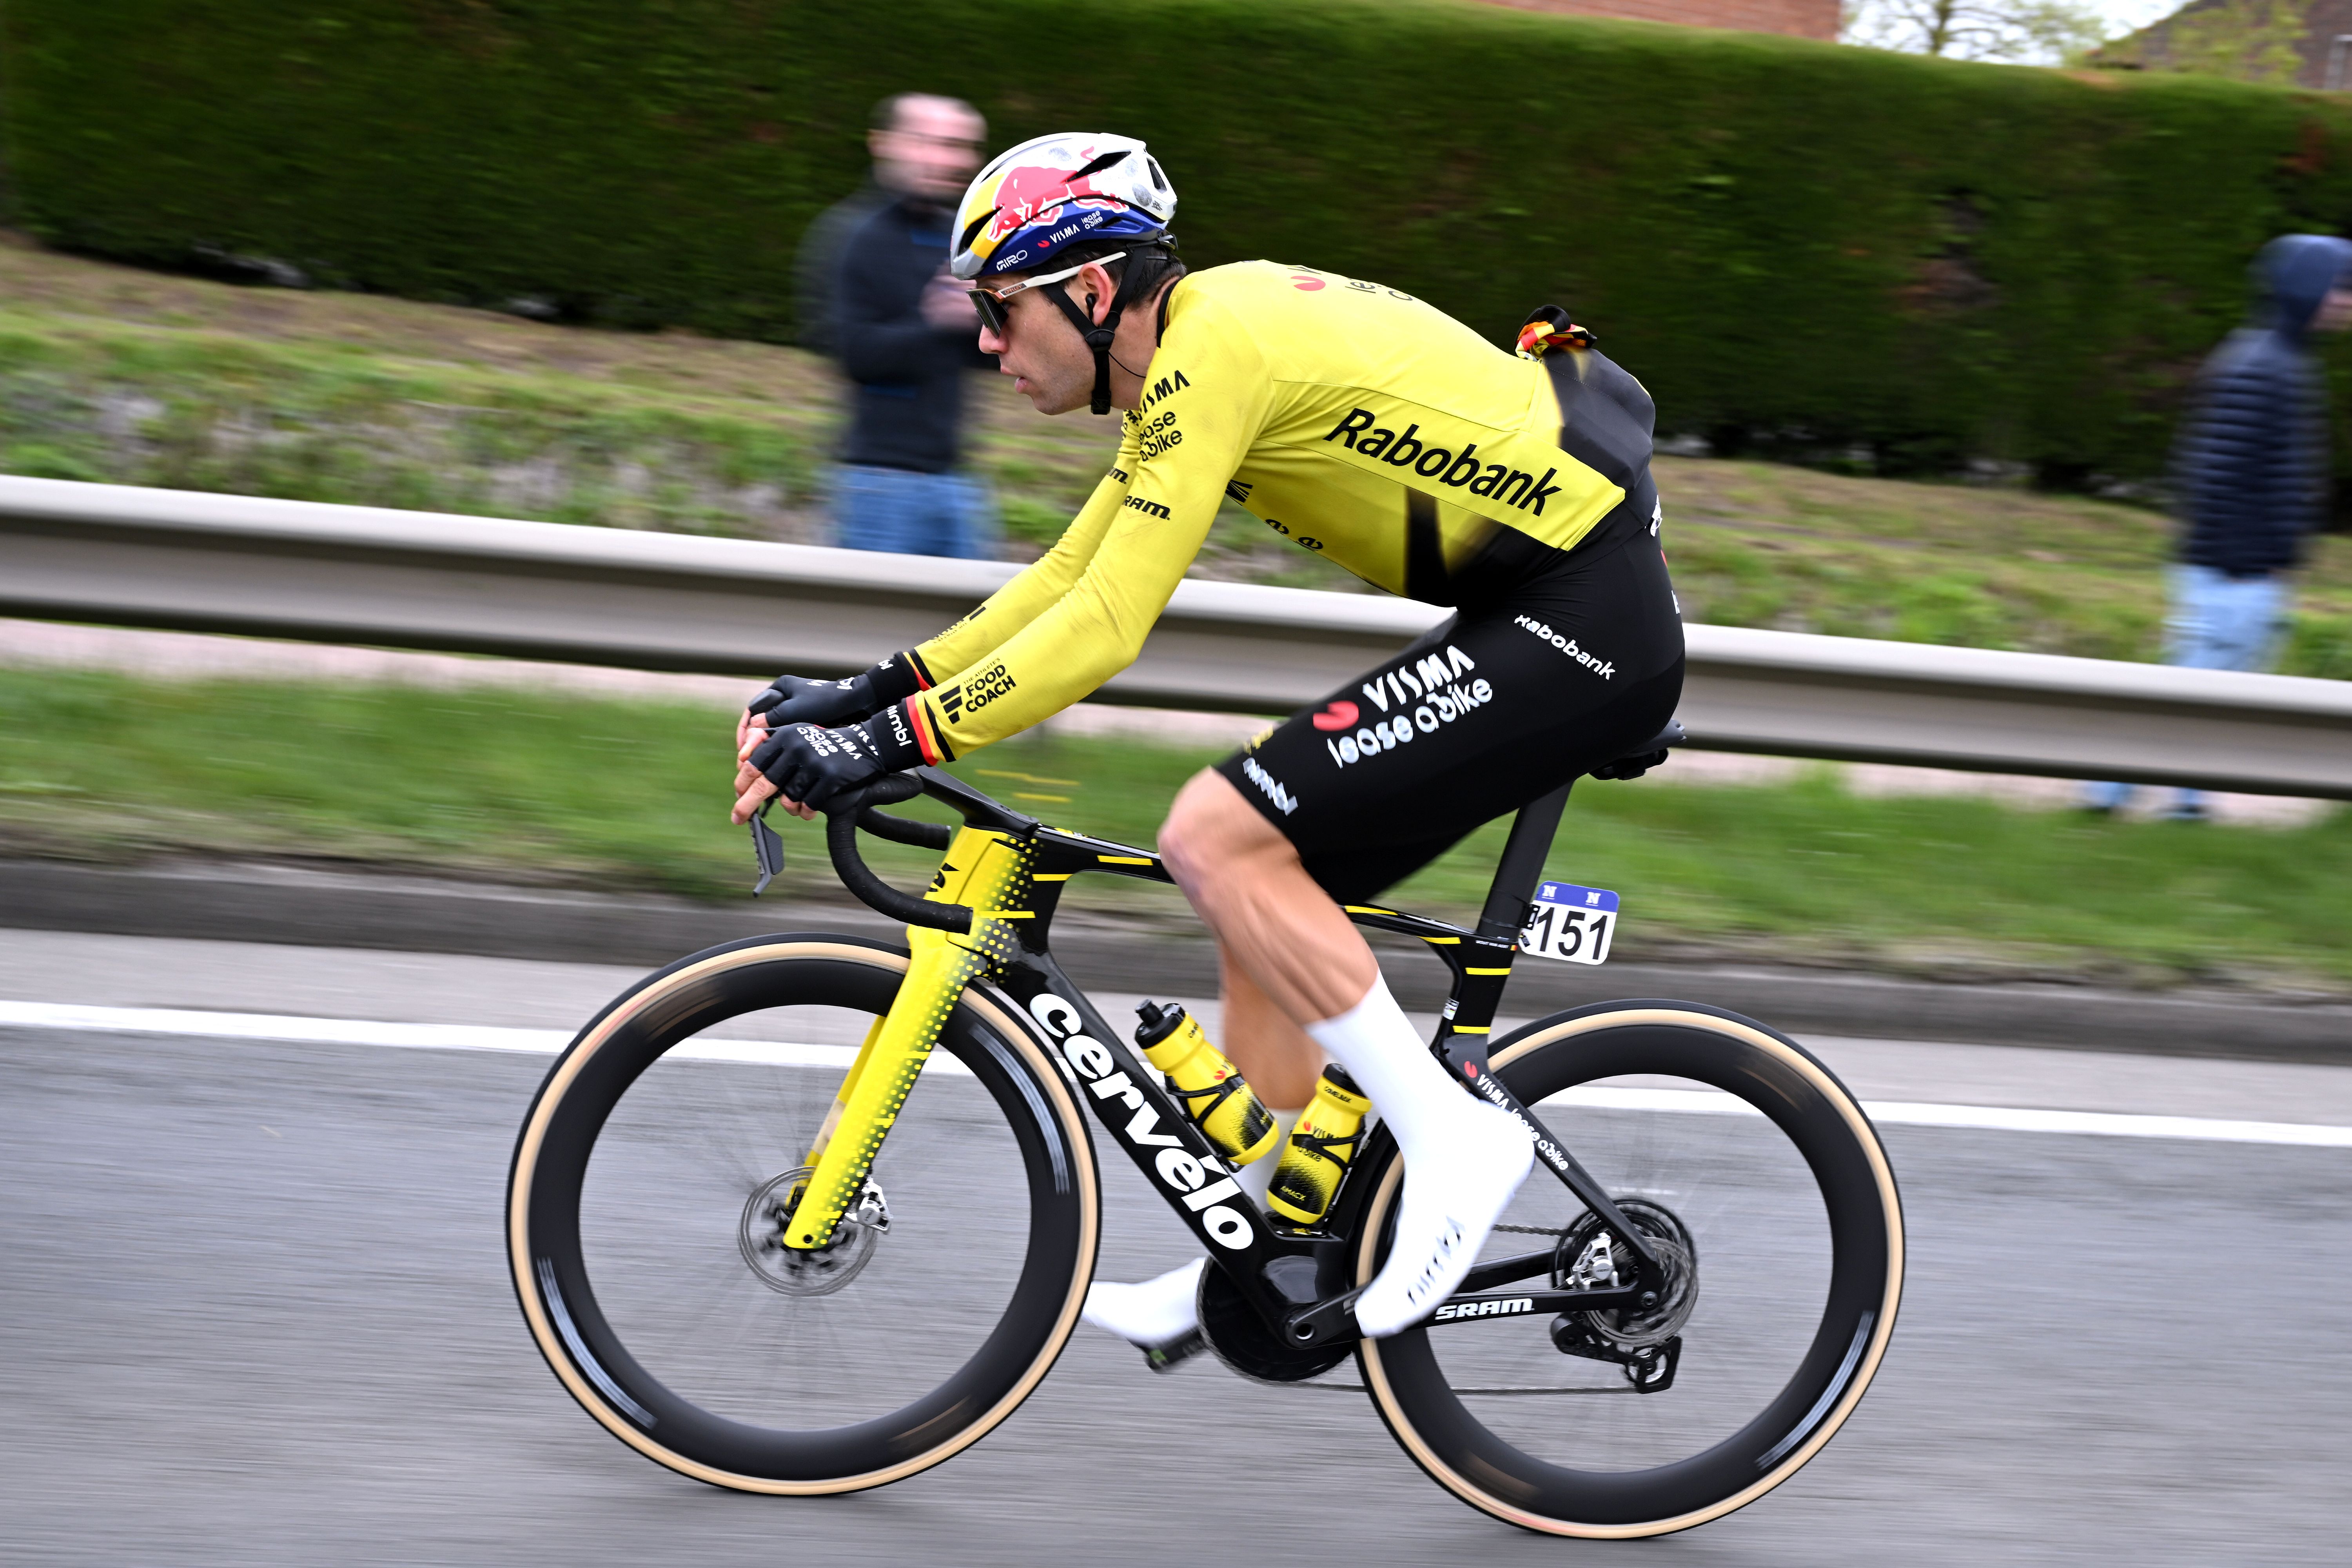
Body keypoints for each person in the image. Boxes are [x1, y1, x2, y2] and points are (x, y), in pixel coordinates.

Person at [731, 132, 1684, 1362]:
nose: (982, 342)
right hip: (1532, 612)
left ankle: (1457, 1147)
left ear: (1087, 293)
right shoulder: (1186, 358)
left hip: (1582, 622)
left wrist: (885, 741)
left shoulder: (1213, 348)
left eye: (997, 308)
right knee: (1257, 876)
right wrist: (866, 694)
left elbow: (1104, 629)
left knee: (1215, 831)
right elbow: (1067, 577)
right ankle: (1273, 1242)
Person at [2085, 232, 2352, 820]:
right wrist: (2242, 564)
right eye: (2342, 288)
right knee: (2198, 687)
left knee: (2212, 690)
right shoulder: (2264, 367)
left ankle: (2181, 801)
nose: (2348, 302)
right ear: (2309, 291)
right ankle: (2113, 792)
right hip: (2232, 569)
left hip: (2245, 565)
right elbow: (2215, 473)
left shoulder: (2276, 359)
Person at [819, 93, 1000, 559]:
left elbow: (988, 358)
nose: (951, 159)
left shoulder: (959, 236)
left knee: (973, 629)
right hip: (878, 486)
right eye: (935, 143)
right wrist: (939, 322)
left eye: (963, 146)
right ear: (885, 144)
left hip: (957, 481)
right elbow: (855, 356)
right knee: (873, 631)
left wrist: (989, 319)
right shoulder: (854, 235)